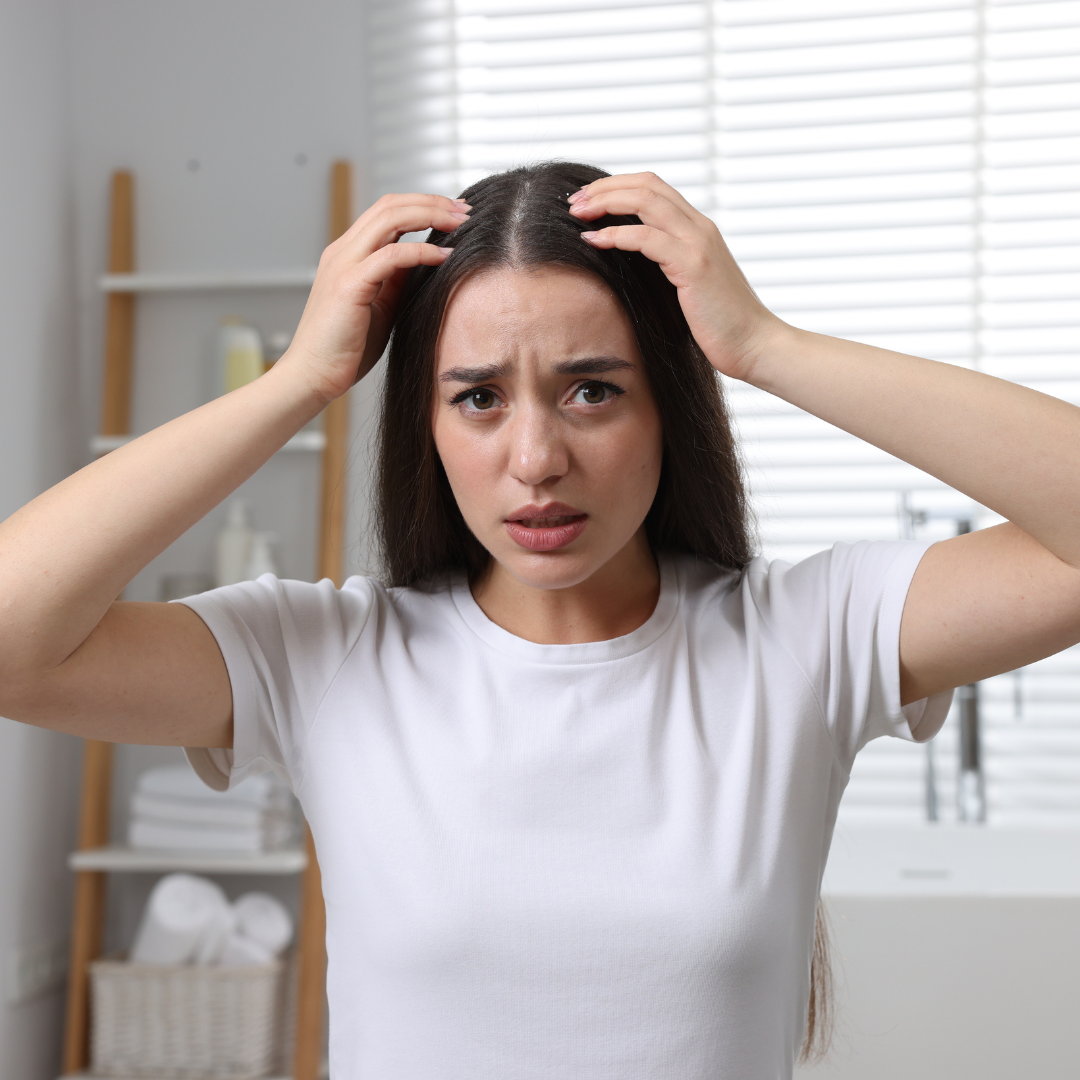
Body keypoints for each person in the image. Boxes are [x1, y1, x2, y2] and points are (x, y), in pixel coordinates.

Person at [2, 161, 1079, 1080]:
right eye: (478, 397)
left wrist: (763, 346)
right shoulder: (324, 658)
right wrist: (301, 382)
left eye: (592, 390)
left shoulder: (804, 640)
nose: (536, 460)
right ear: (424, 425)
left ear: (671, 403)